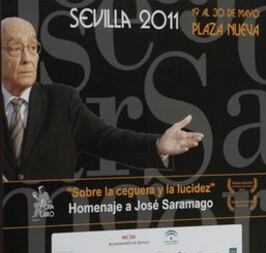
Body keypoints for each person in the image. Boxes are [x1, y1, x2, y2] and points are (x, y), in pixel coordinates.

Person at [1, 17, 204, 181]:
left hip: (48, 220)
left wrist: (157, 145)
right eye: (15, 49)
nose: (27, 58)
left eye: (32, 47)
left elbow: (108, 140)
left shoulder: (62, 102)